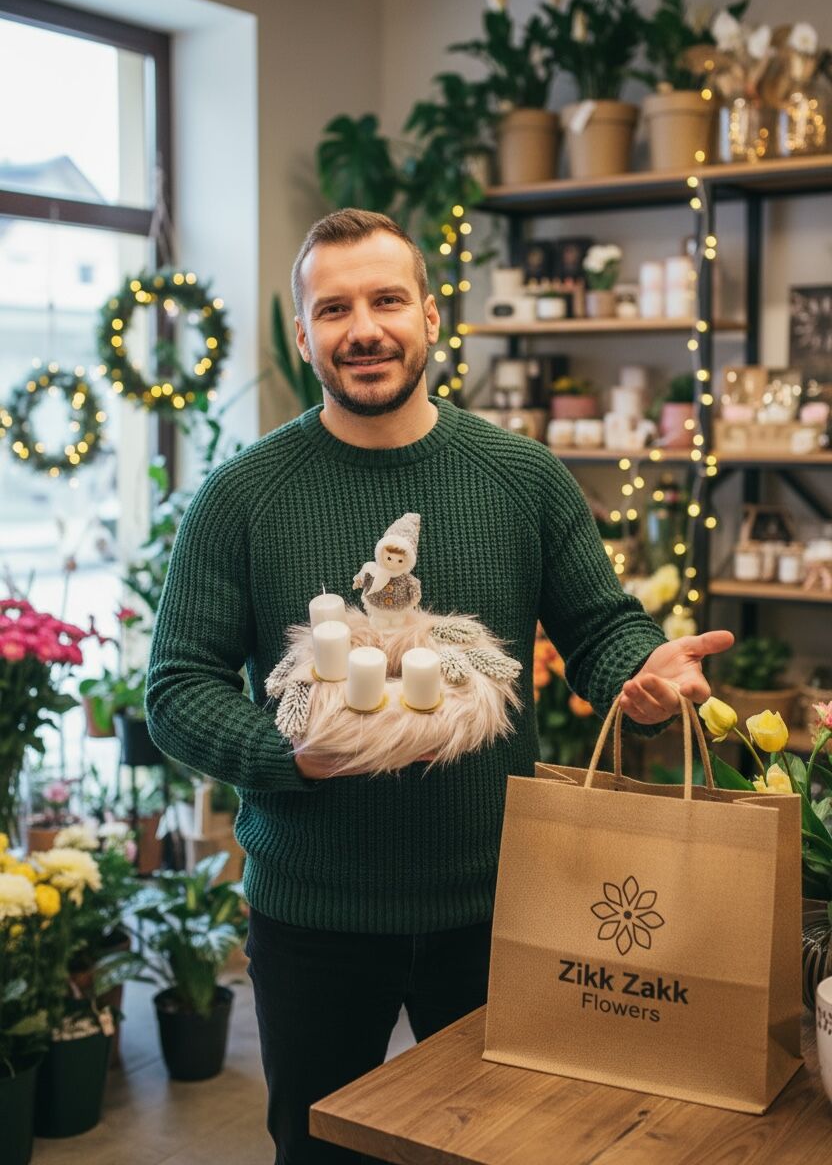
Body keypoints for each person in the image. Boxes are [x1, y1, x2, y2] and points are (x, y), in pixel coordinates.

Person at [146, 209, 733, 1163]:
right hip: (312, 916)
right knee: (320, 1148)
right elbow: (177, 686)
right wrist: (286, 752)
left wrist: (642, 670)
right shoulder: (241, 495)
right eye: (333, 308)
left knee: (509, 1147)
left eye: (386, 300)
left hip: (503, 905)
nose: (363, 328)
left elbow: (600, 626)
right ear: (304, 336)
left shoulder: (521, 478)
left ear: (429, 315)